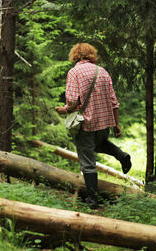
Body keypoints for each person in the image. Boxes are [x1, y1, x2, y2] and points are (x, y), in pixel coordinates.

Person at [55, 43, 131, 209]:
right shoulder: (102, 72)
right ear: (91, 55)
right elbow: (114, 102)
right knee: (98, 145)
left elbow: (73, 101)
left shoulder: (74, 72)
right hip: (104, 124)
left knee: (87, 160)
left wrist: (64, 109)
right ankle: (121, 155)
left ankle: (93, 199)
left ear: (75, 55)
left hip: (86, 124)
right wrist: (116, 124)